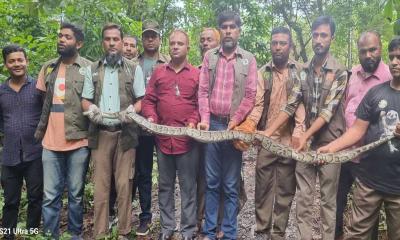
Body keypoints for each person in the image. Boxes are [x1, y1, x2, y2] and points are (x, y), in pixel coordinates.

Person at [262, 16, 348, 239]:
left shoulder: (340, 71)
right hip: (306, 145)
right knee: (304, 200)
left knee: (328, 201)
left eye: (324, 35)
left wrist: (304, 135)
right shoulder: (304, 70)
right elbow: (291, 104)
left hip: (330, 143)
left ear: (332, 38)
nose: (319, 40)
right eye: (316, 35)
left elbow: (328, 112)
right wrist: (268, 133)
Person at [318, 36, 400, 240]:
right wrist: (331, 148)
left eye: (399, 57)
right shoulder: (375, 93)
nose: (395, 62)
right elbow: (356, 130)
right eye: (392, 57)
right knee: (357, 234)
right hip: (369, 181)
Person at [234, 27, 305, 239]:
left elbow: (301, 103)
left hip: (289, 142)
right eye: (274, 43)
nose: (278, 47)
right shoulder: (263, 72)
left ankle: (278, 233)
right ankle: (262, 230)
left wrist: (300, 129)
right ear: (270, 45)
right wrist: (249, 127)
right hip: (266, 140)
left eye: (283, 43)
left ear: (290, 46)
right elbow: (257, 105)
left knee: (285, 190)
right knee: (263, 188)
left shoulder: (299, 70)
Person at [81, 23, 145, 239]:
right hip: (100, 135)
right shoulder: (92, 69)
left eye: (115, 39)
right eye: (107, 39)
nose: (112, 43)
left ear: (121, 41)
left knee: (124, 185)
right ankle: (100, 232)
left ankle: (125, 231)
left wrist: (131, 112)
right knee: (101, 187)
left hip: (125, 135)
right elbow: (85, 100)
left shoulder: (132, 69)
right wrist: (91, 110)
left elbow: (141, 101)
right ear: (103, 42)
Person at [198, 10, 257, 240]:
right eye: (225, 27)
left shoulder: (248, 59)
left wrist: (235, 122)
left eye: (233, 26)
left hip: (234, 128)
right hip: (212, 124)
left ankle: (230, 233)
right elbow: (203, 91)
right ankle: (210, 232)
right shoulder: (210, 57)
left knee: (231, 184)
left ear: (239, 30)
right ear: (220, 30)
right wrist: (204, 119)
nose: (229, 30)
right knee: (212, 182)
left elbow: (250, 95)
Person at [35, 22, 92, 239]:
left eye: (67, 37)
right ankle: (50, 235)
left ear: (79, 43)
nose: (61, 39)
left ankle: (74, 235)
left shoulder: (89, 68)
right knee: (50, 196)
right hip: (50, 143)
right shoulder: (48, 68)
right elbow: (41, 101)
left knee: (76, 195)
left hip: (79, 142)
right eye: (60, 36)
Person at [142, 29, 200, 240]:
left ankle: (187, 230)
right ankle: (167, 228)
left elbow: (199, 103)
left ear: (188, 48)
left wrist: (193, 121)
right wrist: (150, 118)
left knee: (188, 187)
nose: (175, 46)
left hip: (187, 142)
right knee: (165, 187)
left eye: (180, 43)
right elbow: (149, 100)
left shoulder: (196, 74)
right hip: (163, 140)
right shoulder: (159, 72)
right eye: (172, 43)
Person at [335, 31, 391, 240]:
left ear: (381, 49)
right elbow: (345, 106)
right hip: (346, 154)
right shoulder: (352, 74)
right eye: (363, 51)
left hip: (371, 159)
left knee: (369, 212)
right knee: (337, 203)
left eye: (372, 50)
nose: (368, 55)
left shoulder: (390, 77)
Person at [0, 45, 43, 240]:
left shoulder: (38, 88)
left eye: (20, 60)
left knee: (35, 198)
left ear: (27, 61)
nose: (17, 64)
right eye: (12, 61)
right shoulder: (1, 91)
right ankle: (7, 235)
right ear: (5, 64)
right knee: (10, 201)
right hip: (9, 156)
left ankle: (31, 235)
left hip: (35, 154)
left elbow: (46, 115)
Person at [133, 19, 171, 236]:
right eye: (146, 35)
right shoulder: (133, 63)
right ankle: (145, 217)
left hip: (165, 127)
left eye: (153, 35)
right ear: (143, 38)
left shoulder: (168, 62)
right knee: (143, 173)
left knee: (167, 175)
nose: (150, 39)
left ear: (159, 38)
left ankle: (168, 220)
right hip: (141, 128)